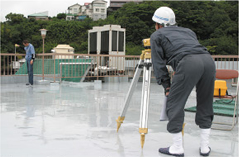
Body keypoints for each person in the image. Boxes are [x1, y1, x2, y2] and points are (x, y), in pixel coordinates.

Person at [150, 6, 215, 157]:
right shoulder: (188, 31)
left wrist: (167, 86)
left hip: (189, 62)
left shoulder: (157, 35)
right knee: (206, 102)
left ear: (158, 24)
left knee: (175, 103)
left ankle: (177, 147)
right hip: (208, 60)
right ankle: (205, 148)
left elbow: (158, 64)